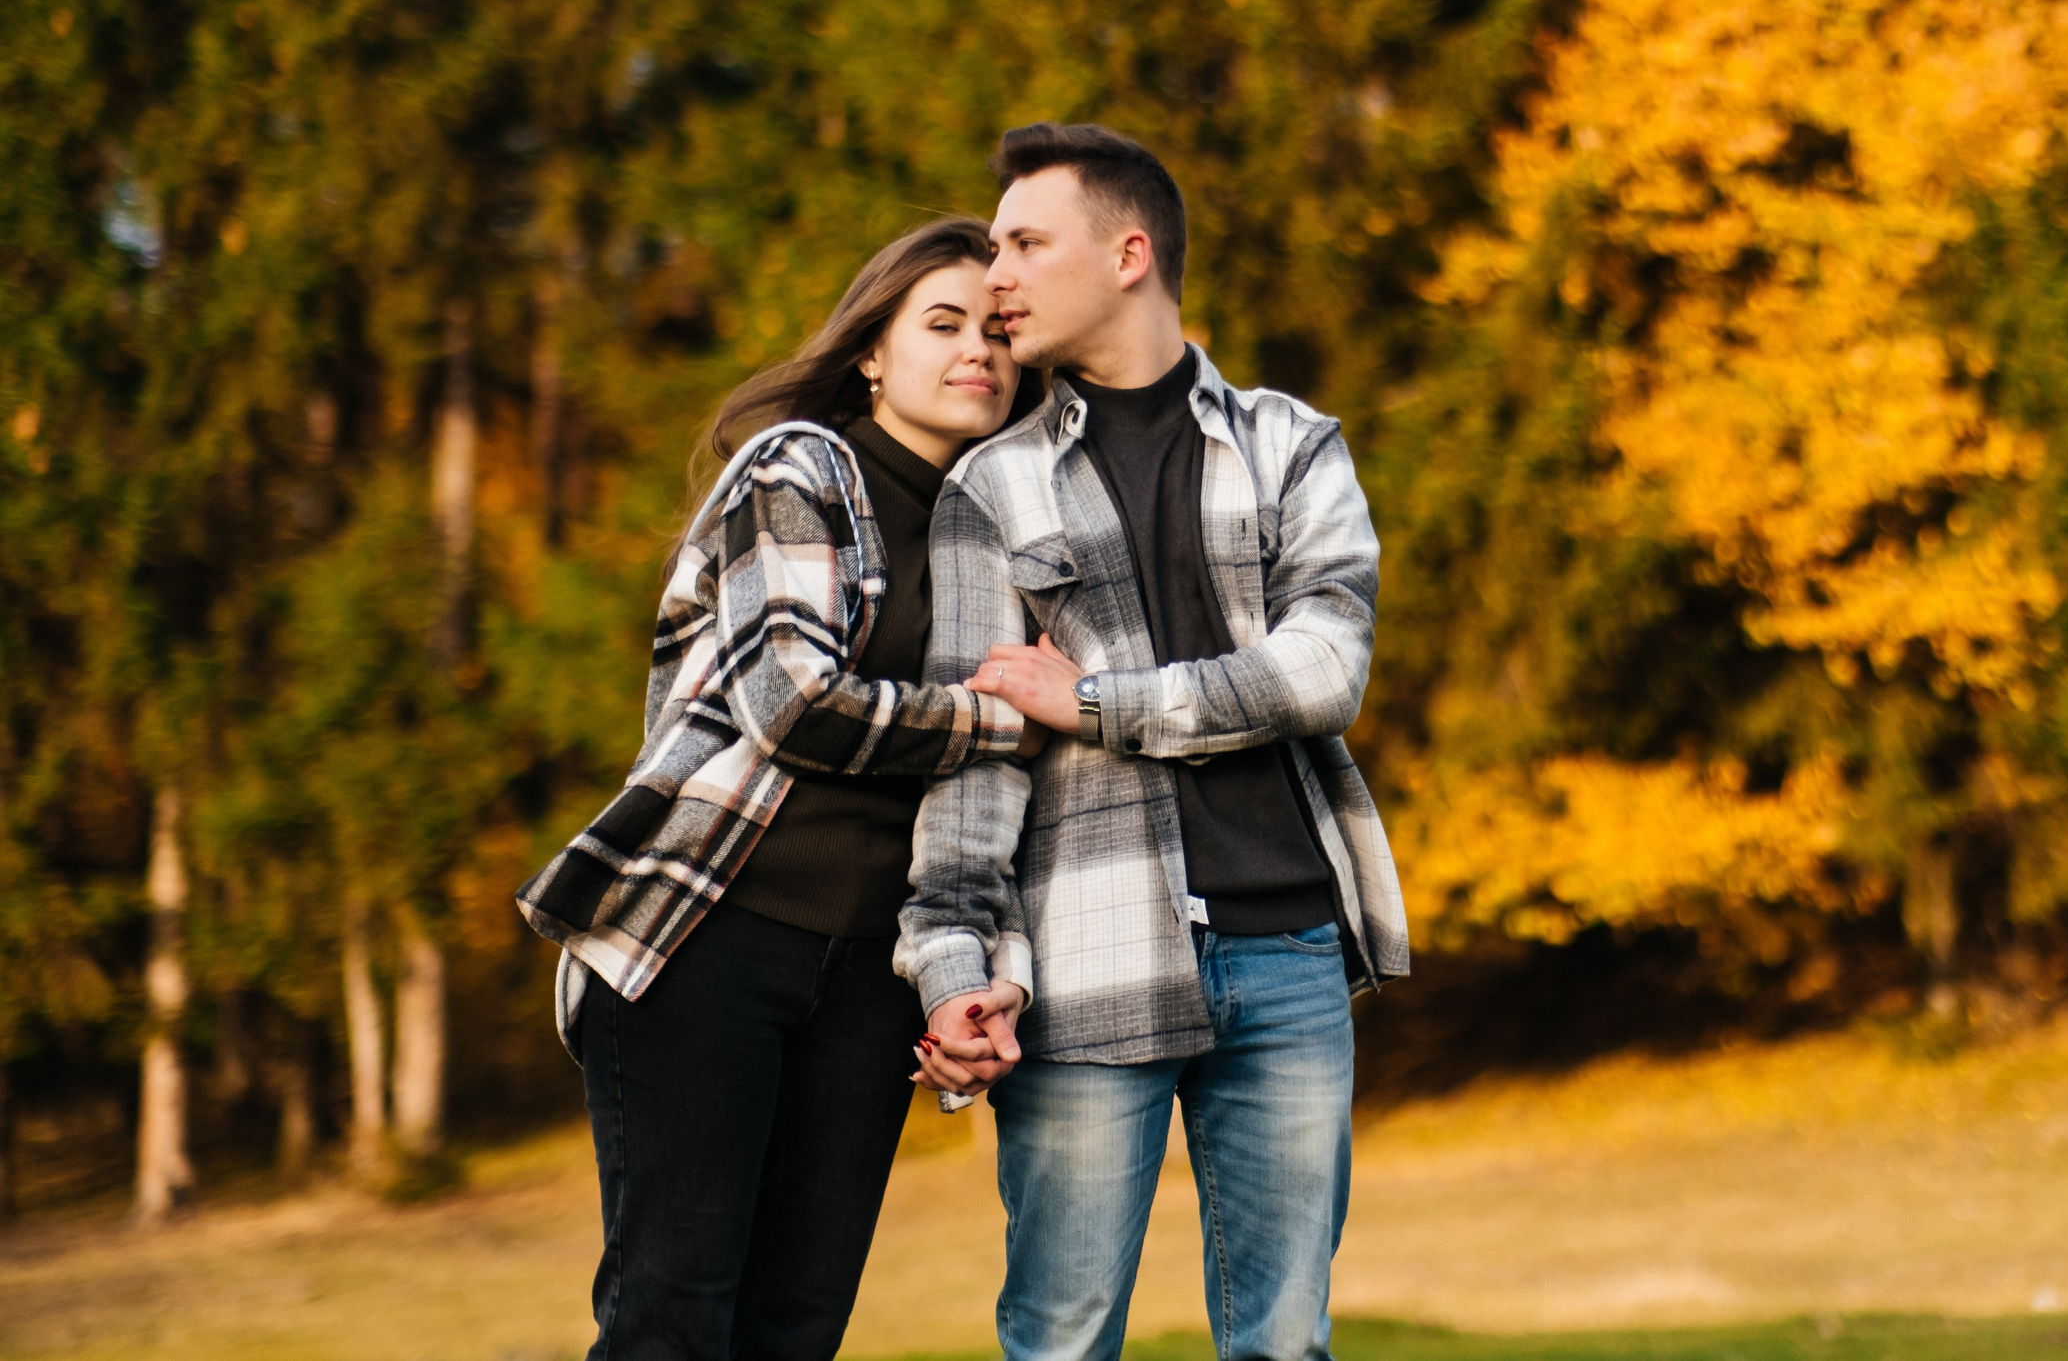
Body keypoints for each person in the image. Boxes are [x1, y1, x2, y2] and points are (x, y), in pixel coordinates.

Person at [900, 123, 1410, 1361]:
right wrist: (953, 962)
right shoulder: (990, 488)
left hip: (1288, 946)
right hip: (1081, 963)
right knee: (1063, 1337)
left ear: (1129, 252)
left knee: (1284, 1340)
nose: (997, 276)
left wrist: (1103, 703)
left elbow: (1324, 671)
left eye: (1026, 242)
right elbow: (972, 754)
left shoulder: (1294, 444)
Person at [515, 216, 1044, 1361]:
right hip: (705, 940)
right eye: (943, 323)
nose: (979, 351)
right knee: (673, 1318)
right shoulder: (802, 466)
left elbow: (993, 814)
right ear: (872, 350)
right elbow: (795, 701)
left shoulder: (1001, 535)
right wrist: (1010, 718)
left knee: (796, 1330)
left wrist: (985, 968)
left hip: (865, 975)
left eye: (1001, 331)